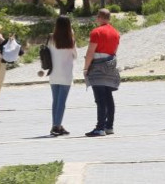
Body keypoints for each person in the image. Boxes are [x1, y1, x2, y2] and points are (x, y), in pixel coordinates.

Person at [83, 9, 120, 137]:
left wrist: (86, 68)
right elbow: (114, 51)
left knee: (100, 98)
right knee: (108, 96)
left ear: (100, 17)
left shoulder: (96, 32)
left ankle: (100, 128)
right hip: (110, 65)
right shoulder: (116, 33)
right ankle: (109, 126)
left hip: (97, 66)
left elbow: (90, 52)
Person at [45, 16, 76, 136]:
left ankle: (56, 124)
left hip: (53, 73)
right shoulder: (70, 39)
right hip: (66, 74)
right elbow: (75, 55)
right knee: (62, 101)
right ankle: (56, 126)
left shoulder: (51, 38)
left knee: (56, 100)